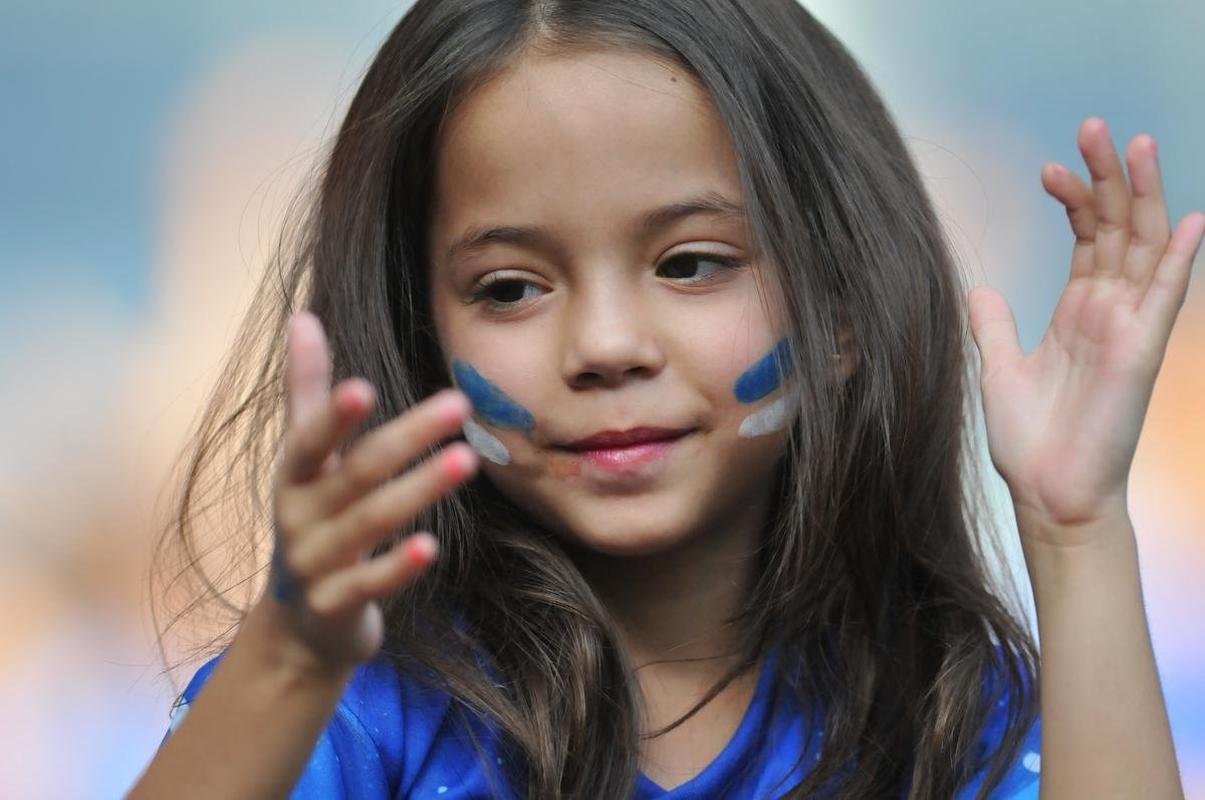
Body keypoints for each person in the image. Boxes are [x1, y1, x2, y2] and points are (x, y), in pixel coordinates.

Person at [129, 1, 1202, 797]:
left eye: (689, 263)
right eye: (508, 287)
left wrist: (1074, 527)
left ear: (839, 309)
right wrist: (290, 656)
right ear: (422, 338)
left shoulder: (942, 717)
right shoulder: (366, 709)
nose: (603, 345)